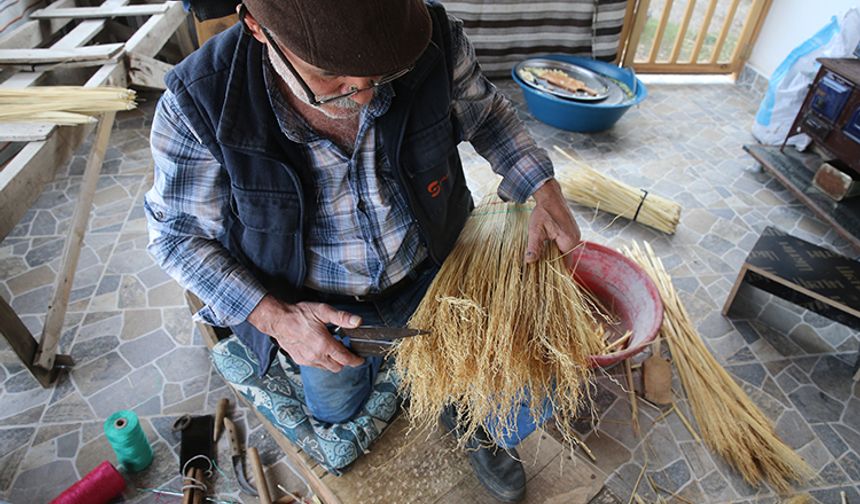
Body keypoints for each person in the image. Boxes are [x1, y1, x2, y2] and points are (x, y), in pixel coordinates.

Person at [144, 0, 581, 501]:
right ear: (258, 29)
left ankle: (467, 416)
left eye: (380, 68)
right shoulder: (200, 101)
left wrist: (541, 186)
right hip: (320, 308)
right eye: (331, 73)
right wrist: (277, 319)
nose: (366, 91)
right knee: (338, 409)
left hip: (436, 269)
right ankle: (373, 382)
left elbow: (488, 118)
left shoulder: (431, 38)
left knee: (472, 373)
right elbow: (176, 236)